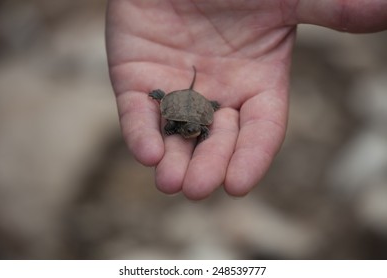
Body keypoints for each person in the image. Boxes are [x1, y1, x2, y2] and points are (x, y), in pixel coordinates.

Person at [105, 0, 387, 200]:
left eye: (194, 131)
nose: (192, 132)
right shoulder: (179, 124)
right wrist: (168, 109)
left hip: (196, 104)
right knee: (167, 115)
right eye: (192, 131)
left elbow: (199, 128)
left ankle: (202, 106)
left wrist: (205, 117)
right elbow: (179, 123)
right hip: (181, 103)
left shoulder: (198, 127)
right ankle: (165, 98)